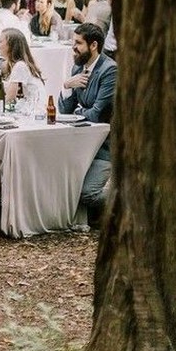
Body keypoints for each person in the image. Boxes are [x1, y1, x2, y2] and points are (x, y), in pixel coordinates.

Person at [58, 23, 116, 222]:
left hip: (104, 147)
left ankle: (126, 202)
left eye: (78, 43)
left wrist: (79, 111)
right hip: (79, 144)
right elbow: (65, 110)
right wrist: (67, 86)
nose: (73, 47)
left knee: (87, 194)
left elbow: (97, 114)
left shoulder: (109, 70)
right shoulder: (78, 67)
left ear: (93, 45)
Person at [0, 28, 46, 107]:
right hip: (32, 108)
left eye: (1, 42)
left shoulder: (20, 66)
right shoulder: (20, 64)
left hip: (35, 110)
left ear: (11, 46)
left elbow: (10, 97)